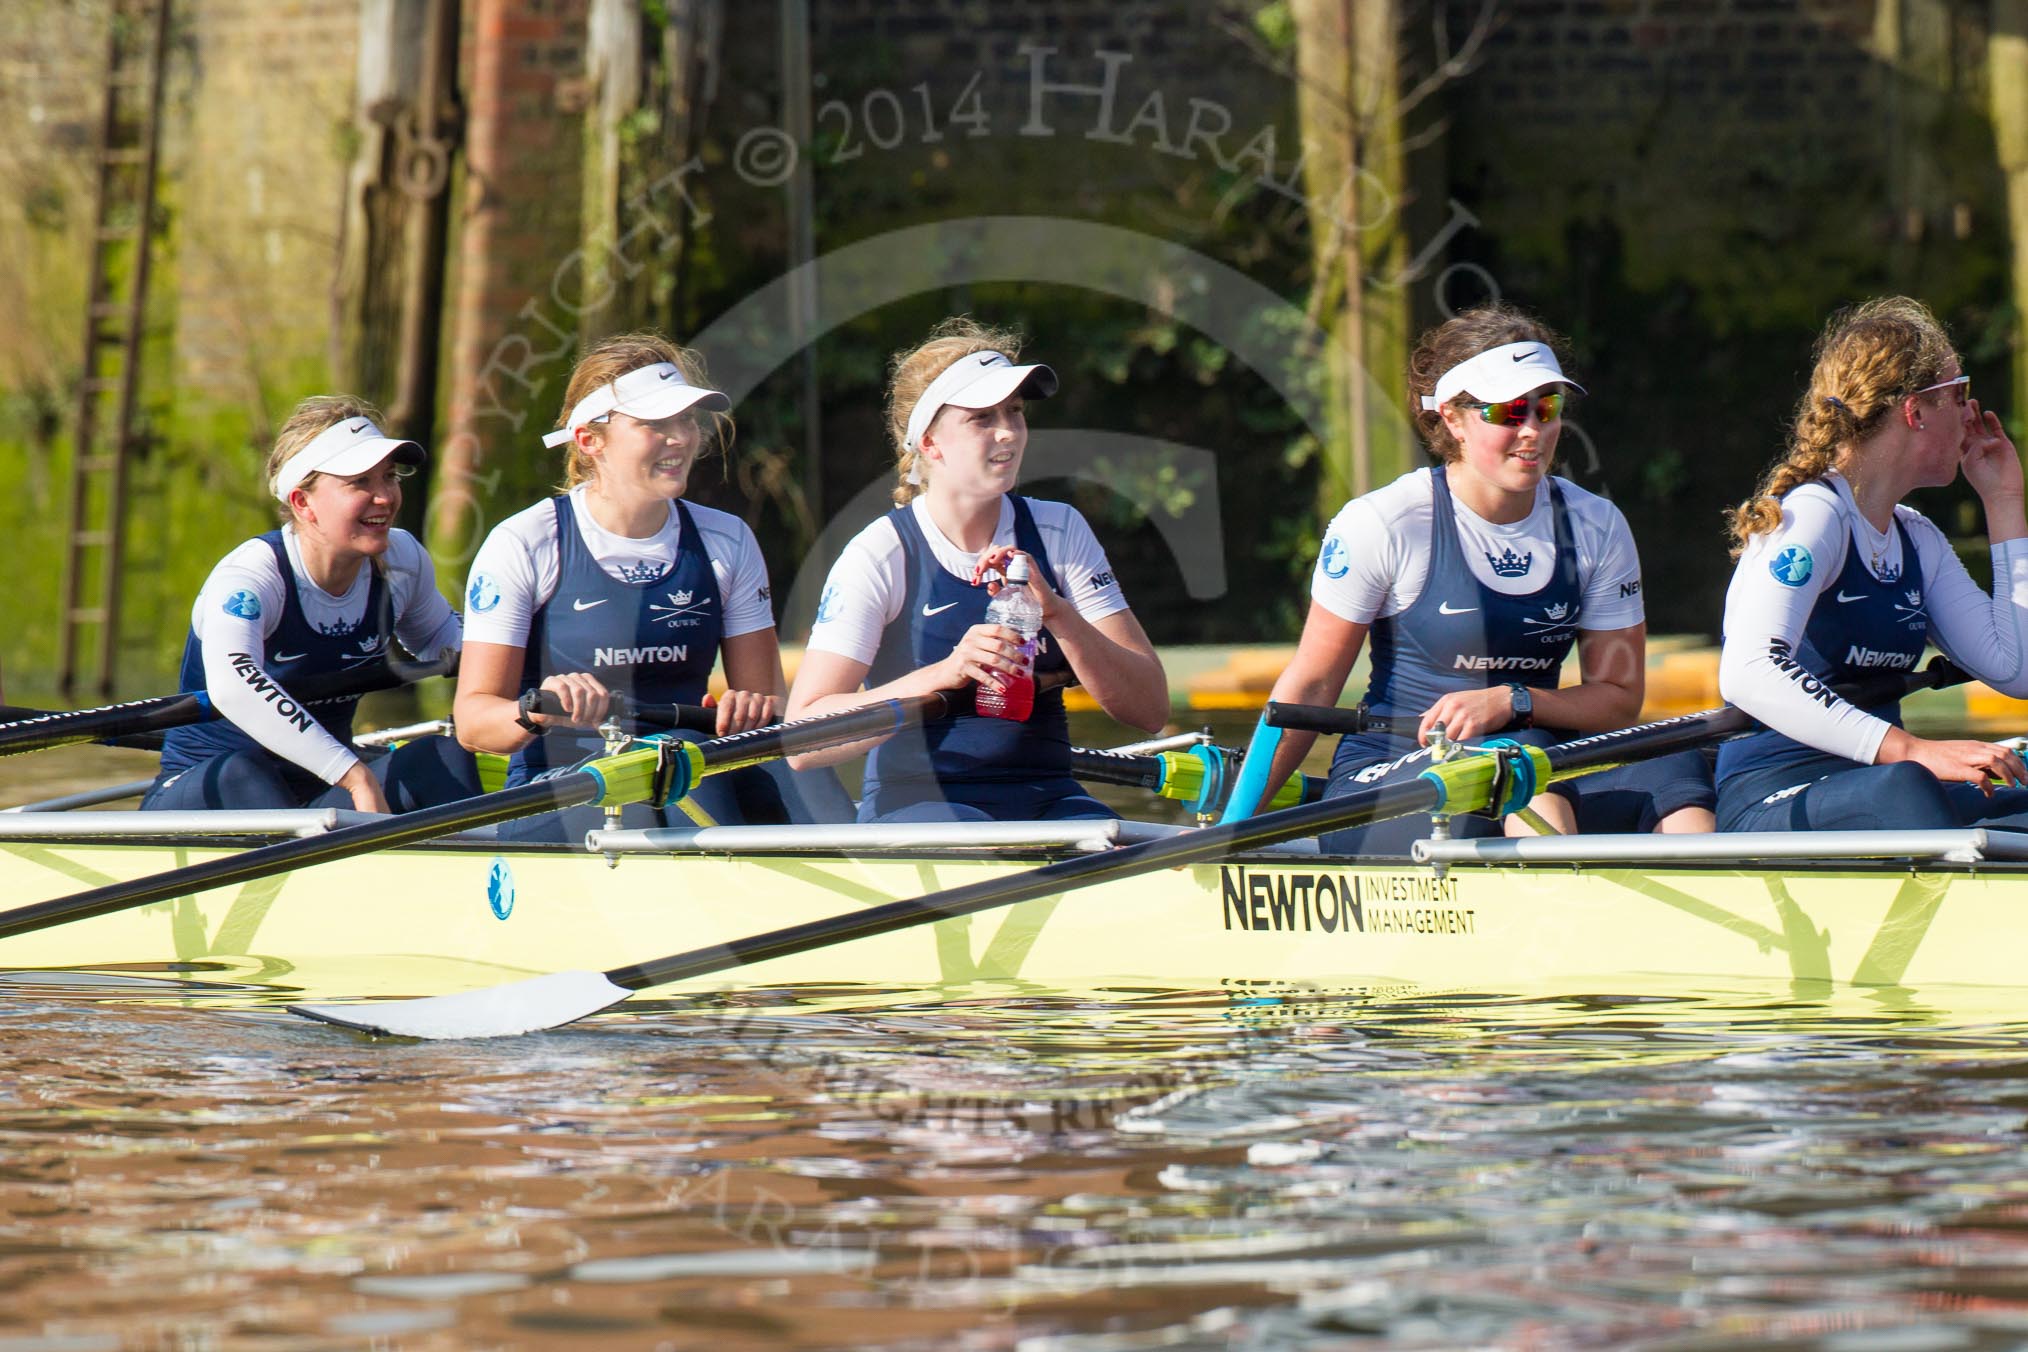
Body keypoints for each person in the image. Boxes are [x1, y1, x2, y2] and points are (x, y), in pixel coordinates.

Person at [1257, 302, 1713, 854]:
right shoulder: (1386, 523)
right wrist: (1232, 828)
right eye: (1509, 412)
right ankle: (1558, 917)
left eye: (1548, 408)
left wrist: (1513, 701)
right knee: (1505, 774)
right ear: (1452, 416)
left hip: (1538, 754)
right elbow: (1309, 689)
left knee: (1675, 769)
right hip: (1391, 768)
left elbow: (1617, 699)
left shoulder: (1596, 525)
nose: (1533, 431)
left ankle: (1714, 919)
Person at [454, 332, 842, 833]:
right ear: (590, 441)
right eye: (655, 424)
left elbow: (768, 708)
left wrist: (751, 707)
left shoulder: (727, 540)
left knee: (808, 784)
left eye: (686, 421)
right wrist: (538, 709)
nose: (680, 438)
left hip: (691, 766)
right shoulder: (525, 543)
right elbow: (473, 723)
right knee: (678, 795)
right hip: (564, 780)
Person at [786, 318, 1169, 822]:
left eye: (1014, 412)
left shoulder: (1059, 531)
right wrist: (946, 673)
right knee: (980, 841)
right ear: (929, 442)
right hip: (917, 807)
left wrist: (1057, 615)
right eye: (982, 418)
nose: (1008, 431)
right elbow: (801, 740)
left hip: (1049, 799)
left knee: (1110, 849)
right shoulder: (882, 552)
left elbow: (1150, 710)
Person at [1716, 296, 2028, 831]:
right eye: (1958, 392)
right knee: (1906, 785)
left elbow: (2016, 670)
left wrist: (2004, 501)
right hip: (1778, 793)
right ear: (1915, 411)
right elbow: (1748, 671)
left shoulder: (1917, 539)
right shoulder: (1812, 516)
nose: (1969, 412)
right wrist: (1909, 748)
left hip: (1880, 787)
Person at [145, 397, 476, 813]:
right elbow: (235, 688)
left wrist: (538, 665)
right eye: (360, 482)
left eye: (389, 477)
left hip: (316, 795)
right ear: (304, 503)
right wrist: (354, 775)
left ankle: (491, 869)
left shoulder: (402, 560)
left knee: (440, 756)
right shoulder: (252, 577)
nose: (385, 497)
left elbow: (450, 642)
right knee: (245, 772)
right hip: (205, 797)